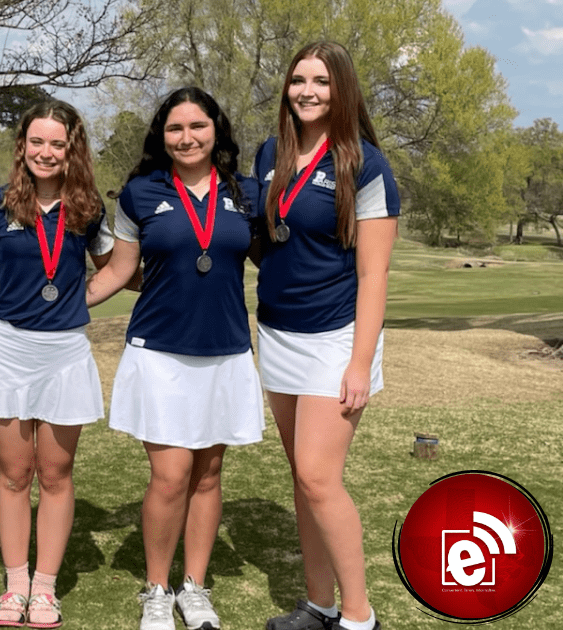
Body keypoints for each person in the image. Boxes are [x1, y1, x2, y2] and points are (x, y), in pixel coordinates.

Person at [85, 87, 264, 630]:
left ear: (217, 131)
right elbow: (118, 270)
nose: (187, 138)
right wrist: (67, 302)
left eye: (197, 126)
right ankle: (157, 590)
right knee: (170, 476)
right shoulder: (141, 192)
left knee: (208, 477)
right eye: (174, 129)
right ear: (161, 137)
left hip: (226, 349)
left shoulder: (246, 192)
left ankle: (194, 588)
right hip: (159, 350)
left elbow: (273, 257)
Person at [253, 42, 398, 630]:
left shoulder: (365, 164)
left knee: (318, 476)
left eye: (320, 81)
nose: (306, 91)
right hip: (278, 334)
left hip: (336, 337)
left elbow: (374, 273)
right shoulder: (272, 153)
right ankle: (318, 605)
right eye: (297, 80)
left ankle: (359, 618)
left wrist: (360, 362)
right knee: (302, 478)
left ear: (341, 90)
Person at [0, 100, 112, 629]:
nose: (47, 153)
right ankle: (15, 583)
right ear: (22, 146)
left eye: (58, 144)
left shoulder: (88, 209)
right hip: (8, 349)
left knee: (56, 473)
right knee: (14, 473)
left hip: (65, 349)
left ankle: (45, 590)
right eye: (37, 142)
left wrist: (76, 300)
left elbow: (118, 268)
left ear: (72, 152)